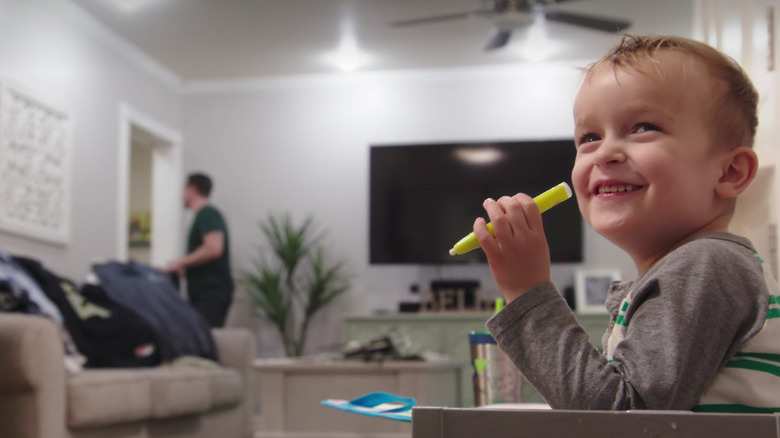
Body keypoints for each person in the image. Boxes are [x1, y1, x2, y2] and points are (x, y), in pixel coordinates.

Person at [474, 34, 780, 412]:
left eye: (643, 127)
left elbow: (623, 420)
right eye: (589, 136)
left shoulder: (705, 265)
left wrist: (526, 290)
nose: (605, 153)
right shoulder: (696, 268)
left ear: (730, 171)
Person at [166, 173, 234, 328]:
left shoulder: (207, 213)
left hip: (211, 293)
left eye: (184, 190)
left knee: (205, 341)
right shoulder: (203, 215)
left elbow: (214, 248)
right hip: (203, 292)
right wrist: (186, 267)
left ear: (192, 190)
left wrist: (180, 262)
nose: (181, 195)